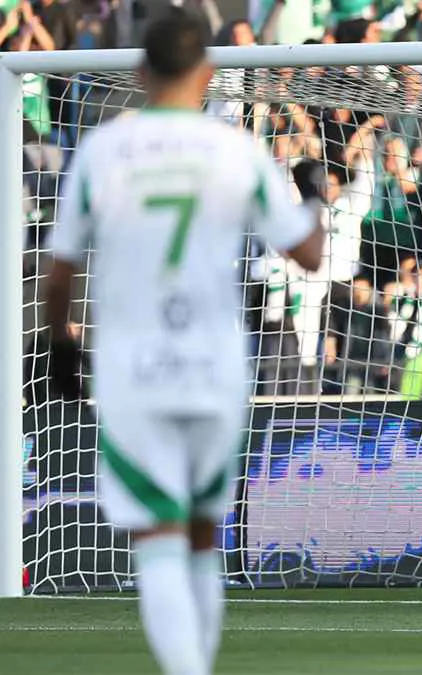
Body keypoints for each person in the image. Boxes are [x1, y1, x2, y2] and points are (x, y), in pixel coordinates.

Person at [42, 11, 324, 675]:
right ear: (209, 72)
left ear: (141, 72)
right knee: (202, 531)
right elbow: (308, 254)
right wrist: (314, 193)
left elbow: (60, 269)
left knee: (159, 533)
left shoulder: (104, 150)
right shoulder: (235, 149)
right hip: (214, 366)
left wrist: (59, 343)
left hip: (134, 367)